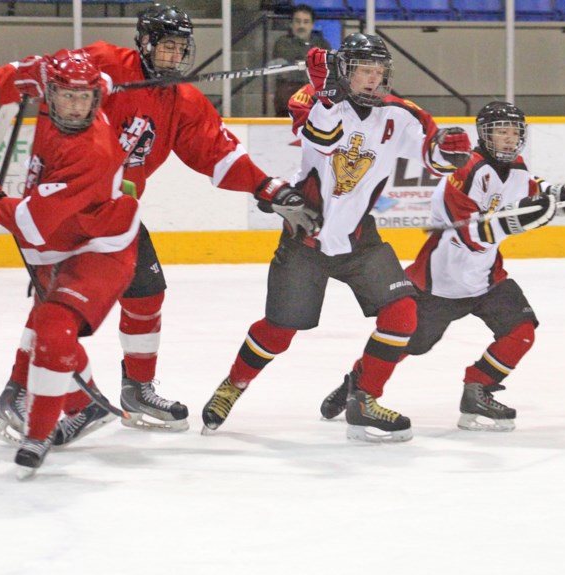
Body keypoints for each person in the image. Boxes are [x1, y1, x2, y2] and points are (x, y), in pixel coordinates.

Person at [0, 4, 315, 446]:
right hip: (60, 209)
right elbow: (43, 72)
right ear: (145, 43)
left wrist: (268, 187)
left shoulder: (181, 99)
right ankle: (21, 393)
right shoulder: (105, 64)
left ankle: (136, 390)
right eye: (166, 47)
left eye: (180, 48)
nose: (173, 57)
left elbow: (217, 152)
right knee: (57, 309)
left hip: (113, 216)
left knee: (147, 292)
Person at [200, 33, 472, 443]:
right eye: (364, 70)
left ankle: (362, 397)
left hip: (361, 239)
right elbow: (322, 141)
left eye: (379, 72)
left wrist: (450, 152)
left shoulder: (403, 116)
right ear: (344, 71)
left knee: (402, 313)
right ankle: (231, 387)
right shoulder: (308, 99)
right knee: (279, 329)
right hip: (305, 235)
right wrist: (327, 96)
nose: (373, 80)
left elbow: (433, 158)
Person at [319, 101, 565, 431]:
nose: (509, 140)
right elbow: (470, 236)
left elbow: (529, 187)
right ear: (484, 135)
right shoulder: (464, 172)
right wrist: (524, 220)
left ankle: (477, 389)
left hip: (486, 279)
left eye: (514, 133)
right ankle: (357, 384)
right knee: (407, 344)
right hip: (440, 283)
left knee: (521, 330)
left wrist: (559, 193)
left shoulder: (517, 167)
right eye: (501, 132)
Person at [0, 52, 143, 477]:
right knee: (43, 330)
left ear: (96, 99)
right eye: (67, 97)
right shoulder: (47, 86)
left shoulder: (92, 152)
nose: (76, 107)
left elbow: (32, 223)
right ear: (51, 94)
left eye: (85, 98)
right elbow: (29, 69)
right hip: (63, 241)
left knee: (54, 329)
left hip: (101, 248)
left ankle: (37, 435)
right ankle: (86, 403)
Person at [271, 4, 331, 117]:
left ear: (312, 25)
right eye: (297, 21)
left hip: (315, 98)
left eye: (306, 22)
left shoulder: (322, 44)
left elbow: (327, 71)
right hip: (289, 98)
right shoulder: (282, 42)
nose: (301, 25)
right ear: (291, 24)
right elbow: (289, 67)